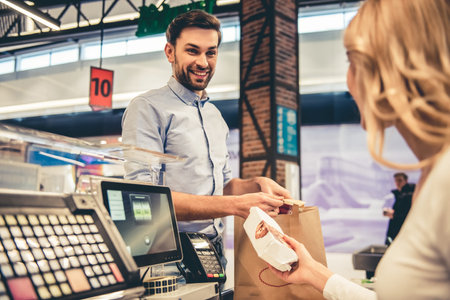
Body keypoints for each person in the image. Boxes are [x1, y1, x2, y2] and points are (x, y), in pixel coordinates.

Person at [269, 0, 450, 299]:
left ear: (391, 69)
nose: (348, 80)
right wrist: (313, 272)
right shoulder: (433, 174)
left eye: (353, 61)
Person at [121, 10, 291, 265]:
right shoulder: (147, 108)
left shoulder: (215, 116)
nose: (203, 62)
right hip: (167, 256)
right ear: (170, 52)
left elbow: (222, 188)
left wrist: (257, 184)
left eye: (210, 52)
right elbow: (144, 199)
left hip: (214, 252)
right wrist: (235, 205)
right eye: (192, 51)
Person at [383, 172, 415, 245]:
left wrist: (394, 214)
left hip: (402, 231)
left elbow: (408, 213)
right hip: (396, 231)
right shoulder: (399, 195)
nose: (397, 183)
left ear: (406, 181)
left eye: (400, 180)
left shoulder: (408, 196)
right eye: (396, 181)